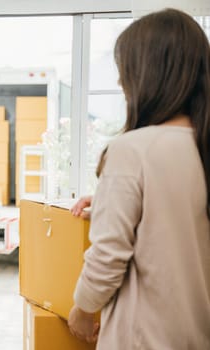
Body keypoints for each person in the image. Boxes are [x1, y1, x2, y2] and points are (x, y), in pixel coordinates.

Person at [68, 8, 210, 349]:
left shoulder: (133, 150)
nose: (121, 83)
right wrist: (107, 203)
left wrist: (83, 310)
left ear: (150, 76)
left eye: (125, 72)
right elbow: (180, 223)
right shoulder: (201, 147)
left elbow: (108, 257)